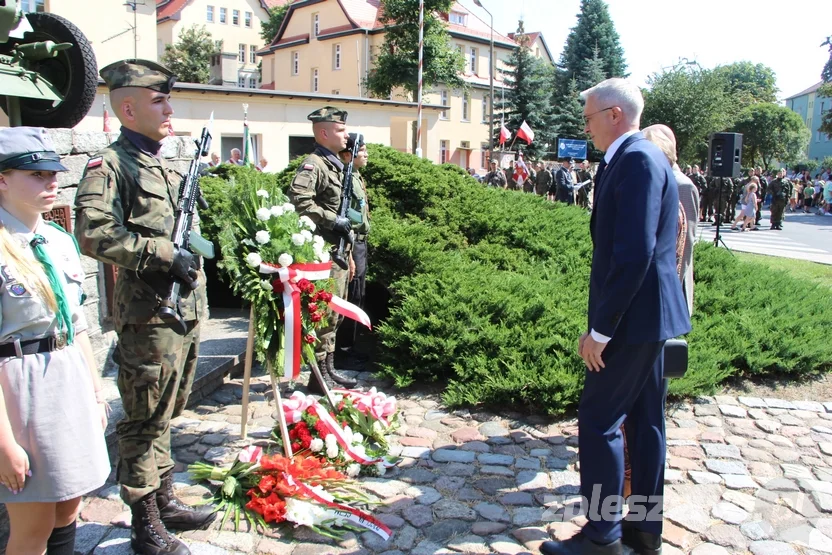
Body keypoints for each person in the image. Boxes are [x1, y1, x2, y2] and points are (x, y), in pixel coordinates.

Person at [540, 78, 691, 555]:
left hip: (632, 321)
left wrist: (601, 330)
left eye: (587, 117)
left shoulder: (638, 161)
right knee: (645, 423)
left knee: (600, 418)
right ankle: (644, 530)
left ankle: (602, 535)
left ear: (614, 115)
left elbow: (633, 255)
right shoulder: (628, 160)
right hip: (646, 318)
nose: (584, 127)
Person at [73, 59, 215, 555]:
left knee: (164, 414)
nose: (170, 109)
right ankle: (145, 524)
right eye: (160, 100)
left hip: (179, 311)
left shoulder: (159, 161)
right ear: (128, 107)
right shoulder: (110, 165)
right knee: (141, 420)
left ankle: (166, 499)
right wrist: (160, 253)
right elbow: (92, 233)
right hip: (147, 316)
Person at [0, 127, 110, 555]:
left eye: (53, 174)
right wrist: (4, 441)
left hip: (68, 379)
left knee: (68, 506)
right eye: (37, 175)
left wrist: (96, 393)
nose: (52, 183)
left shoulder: (58, 241)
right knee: (33, 522)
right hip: (21, 391)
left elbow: (76, 324)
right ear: (3, 180)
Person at [287, 106, 358, 391]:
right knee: (323, 314)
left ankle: (328, 369)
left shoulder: (334, 165)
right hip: (322, 254)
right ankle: (317, 377)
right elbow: (299, 201)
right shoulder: (313, 165)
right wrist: (333, 219)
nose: (346, 135)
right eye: (340, 130)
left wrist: (349, 254)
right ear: (324, 132)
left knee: (336, 313)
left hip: (338, 252)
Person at [336, 135, 370, 363]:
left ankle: (351, 345)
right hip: (352, 242)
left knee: (359, 295)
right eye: (362, 151)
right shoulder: (344, 178)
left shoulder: (356, 176)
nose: (366, 155)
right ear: (348, 155)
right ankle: (342, 350)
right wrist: (348, 251)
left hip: (360, 241)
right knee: (351, 294)